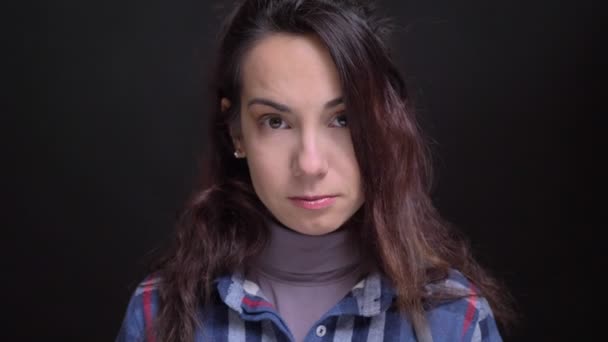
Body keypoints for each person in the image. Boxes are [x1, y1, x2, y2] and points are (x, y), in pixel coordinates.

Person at [116, 0, 514, 341]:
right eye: (275, 122)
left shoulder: (452, 322)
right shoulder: (159, 313)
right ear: (236, 131)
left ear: (384, 123)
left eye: (342, 119)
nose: (310, 164)